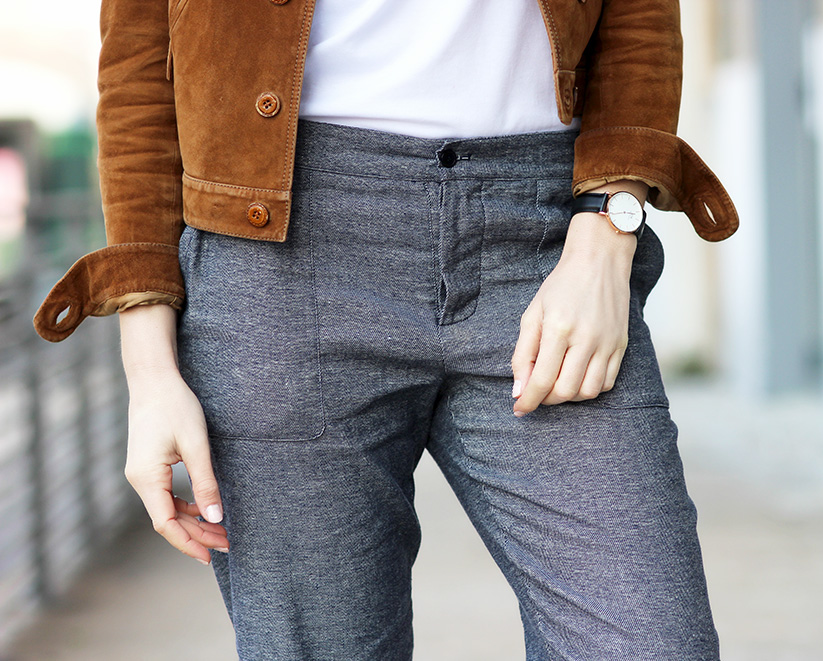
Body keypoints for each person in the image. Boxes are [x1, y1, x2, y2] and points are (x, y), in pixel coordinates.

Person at [34, 0, 738, 658]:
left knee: (651, 637)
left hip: (547, 239)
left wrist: (608, 231)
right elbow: (138, 73)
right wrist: (149, 370)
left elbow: (640, 18)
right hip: (280, 265)